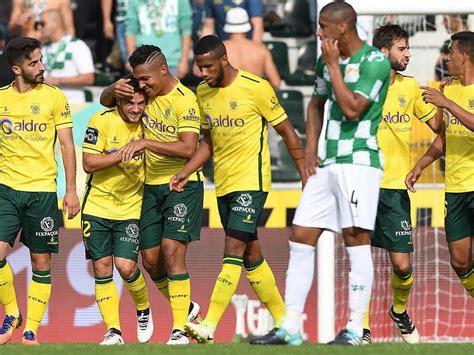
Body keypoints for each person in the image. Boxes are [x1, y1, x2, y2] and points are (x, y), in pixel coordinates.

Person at [253, 2, 391, 346]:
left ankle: (356, 329)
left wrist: (333, 65)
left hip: (359, 162)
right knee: (300, 235)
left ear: (342, 29)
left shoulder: (375, 63)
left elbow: (352, 108)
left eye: (323, 26)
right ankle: (291, 327)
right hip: (327, 164)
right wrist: (310, 148)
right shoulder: (323, 62)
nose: (318, 32)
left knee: (355, 240)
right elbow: (316, 103)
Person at [169, 35, 306, 344]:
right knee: (250, 255)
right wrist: (186, 171)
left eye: (206, 67)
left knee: (232, 249)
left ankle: (210, 326)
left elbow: (286, 130)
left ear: (224, 61)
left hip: (252, 181)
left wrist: (304, 176)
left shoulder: (256, 88)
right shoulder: (202, 92)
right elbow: (208, 142)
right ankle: (288, 326)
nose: (201, 73)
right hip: (224, 184)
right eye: (198, 67)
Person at [100, 45, 203, 345]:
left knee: (172, 253)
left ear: (163, 70)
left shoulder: (186, 100)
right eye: (137, 79)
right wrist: (111, 87)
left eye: (145, 79)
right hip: (148, 186)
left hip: (181, 184)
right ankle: (187, 307)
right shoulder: (141, 90)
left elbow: (188, 148)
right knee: (151, 260)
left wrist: (147, 144)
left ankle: (180, 330)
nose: (141, 85)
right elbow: (107, 101)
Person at [361, 24, 442, 345]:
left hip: (395, 188)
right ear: (383, 52)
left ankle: (399, 310)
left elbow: (437, 126)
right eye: (402, 49)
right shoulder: (364, 87)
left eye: (408, 49)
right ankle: (361, 327)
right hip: (363, 182)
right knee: (359, 259)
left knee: (402, 265)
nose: (408, 54)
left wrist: (448, 102)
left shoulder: (410, 88)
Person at [0, 36, 80, 346]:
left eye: (41, 59)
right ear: (17, 69)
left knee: (41, 264)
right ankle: (12, 312)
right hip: (6, 189)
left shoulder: (54, 98)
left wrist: (70, 190)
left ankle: (31, 329)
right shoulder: (2, 99)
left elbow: (66, 145)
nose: (42, 66)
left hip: (42, 192)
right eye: (34, 62)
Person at [81, 75, 153, 345]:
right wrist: (123, 153)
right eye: (130, 102)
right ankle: (114, 331)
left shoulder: (150, 126)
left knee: (125, 266)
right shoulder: (101, 120)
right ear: (118, 102)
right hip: (97, 205)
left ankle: (143, 308)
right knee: (102, 269)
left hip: (131, 207)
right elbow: (89, 163)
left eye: (141, 103)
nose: (136, 108)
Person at [406, 31, 474, 298]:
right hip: (455, 189)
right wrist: (420, 165)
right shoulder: (450, 89)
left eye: (452, 53)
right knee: (459, 262)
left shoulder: (450, 95)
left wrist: (446, 102)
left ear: (465, 57)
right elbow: (444, 136)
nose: (447, 58)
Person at [125, 0, 192, 79]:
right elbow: (130, 31)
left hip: (172, 63)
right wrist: (131, 60)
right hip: (143, 64)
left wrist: (184, 61)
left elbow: (186, 31)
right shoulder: (135, 2)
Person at [39, 9, 94, 103]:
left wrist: (58, 80)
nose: (39, 28)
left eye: (43, 23)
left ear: (56, 23)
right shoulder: (43, 48)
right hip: (48, 104)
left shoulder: (76, 45)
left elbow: (89, 78)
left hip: (72, 104)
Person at [223, 7, 280, 89]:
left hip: (230, 100)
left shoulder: (221, 49)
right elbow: (276, 83)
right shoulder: (261, 49)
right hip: (255, 99)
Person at [8, 0, 75, 39]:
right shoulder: (19, 1)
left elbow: (69, 28)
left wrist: (68, 49)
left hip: (52, 47)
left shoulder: (62, 1)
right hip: (28, 46)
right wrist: (17, 23)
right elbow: (11, 31)